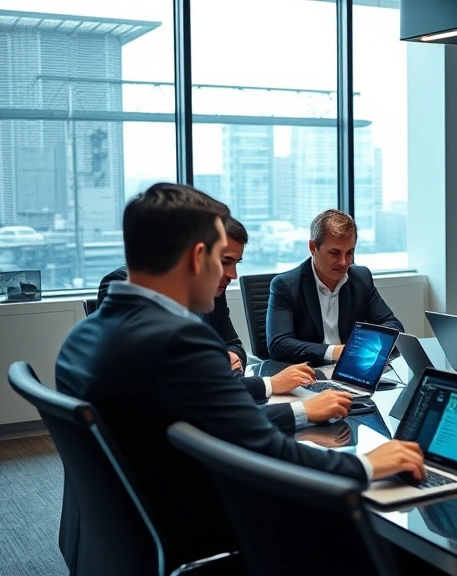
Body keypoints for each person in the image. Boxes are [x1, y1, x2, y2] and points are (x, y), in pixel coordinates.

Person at [55, 183, 425, 569]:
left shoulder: (82, 338)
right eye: (222, 259)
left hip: (116, 539)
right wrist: (368, 464)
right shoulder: (177, 342)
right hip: (194, 532)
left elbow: (207, 425)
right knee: (369, 536)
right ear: (198, 258)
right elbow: (265, 450)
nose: (229, 275)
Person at [96, 217, 344, 433]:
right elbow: (189, 392)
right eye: (225, 261)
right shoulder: (124, 288)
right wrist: (272, 388)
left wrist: (223, 360)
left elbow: (234, 346)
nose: (232, 275)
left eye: (236, 262)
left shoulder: (211, 286)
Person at [267, 209, 403, 364]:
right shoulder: (285, 286)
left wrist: (363, 345)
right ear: (313, 247)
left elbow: (394, 327)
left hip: (352, 370)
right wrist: (336, 351)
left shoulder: (361, 279)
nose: (344, 262)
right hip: (309, 373)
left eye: (349, 253)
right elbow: (279, 345)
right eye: (334, 253)